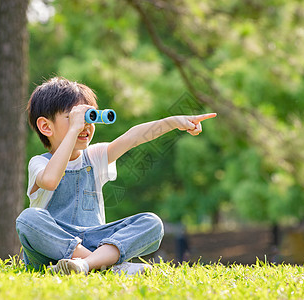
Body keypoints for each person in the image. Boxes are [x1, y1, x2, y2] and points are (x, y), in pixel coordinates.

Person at [16, 77, 216, 275]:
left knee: (152, 222)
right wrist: (74, 129)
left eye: (89, 117)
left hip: (96, 241)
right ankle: (105, 266)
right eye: (74, 117)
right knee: (27, 219)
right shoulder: (40, 163)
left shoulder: (94, 157)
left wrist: (174, 122)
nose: (84, 125)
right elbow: (50, 181)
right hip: (50, 248)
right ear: (46, 127)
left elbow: (134, 136)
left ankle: (86, 266)